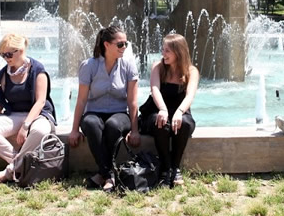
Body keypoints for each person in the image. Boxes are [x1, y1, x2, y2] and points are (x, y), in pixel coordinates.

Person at [69, 25, 140, 192]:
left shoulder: (129, 65)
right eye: (120, 44)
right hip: (94, 112)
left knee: (113, 126)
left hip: (119, 113)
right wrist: (73, 130)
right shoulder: (89, 66)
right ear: (106, 45)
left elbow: (132, 101)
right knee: (92, 124)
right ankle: (109, 174)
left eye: (126, 44)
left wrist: (135, 130)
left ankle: (103, 173)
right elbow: (81, 100)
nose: (124, 48)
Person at [0, 33, 57, 183]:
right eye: (3, 55)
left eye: (8, 54)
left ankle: (9, 171)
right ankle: (20, 165)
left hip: (39, 115)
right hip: (15, 115)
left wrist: (25, 126)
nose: (6, 58)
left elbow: (40, 101)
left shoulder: (37, 70)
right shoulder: (4, 74)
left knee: (40, 130)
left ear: (20, 51)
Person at [140, 33, 199, 186]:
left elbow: (190, 95)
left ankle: (175, 168)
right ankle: (166, 169)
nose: (163, 54)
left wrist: (179, 112)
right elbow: (155, 90)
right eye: (163, 49)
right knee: (160, 123)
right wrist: (163, 109)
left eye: (167, 51)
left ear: (178, 52)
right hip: (157, 110)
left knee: (185, 124)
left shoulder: (191, 71)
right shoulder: (158, 67)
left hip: (180, 111)